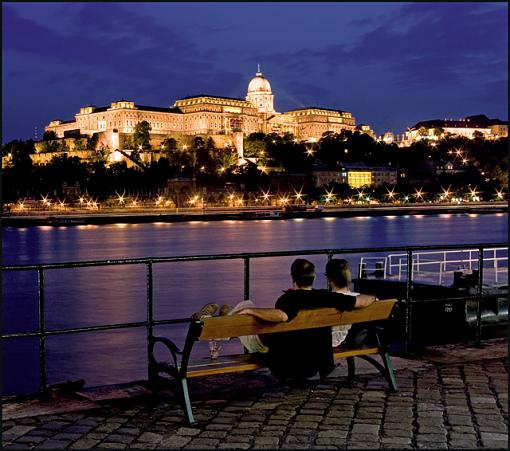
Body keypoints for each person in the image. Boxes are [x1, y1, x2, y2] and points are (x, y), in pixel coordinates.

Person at [325, 258, 376, 347]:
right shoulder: (360, 299)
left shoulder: (327, 299)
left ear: (329, 279)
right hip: (350, 341)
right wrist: (373, 297)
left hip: (327, 342)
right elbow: (376, 300)